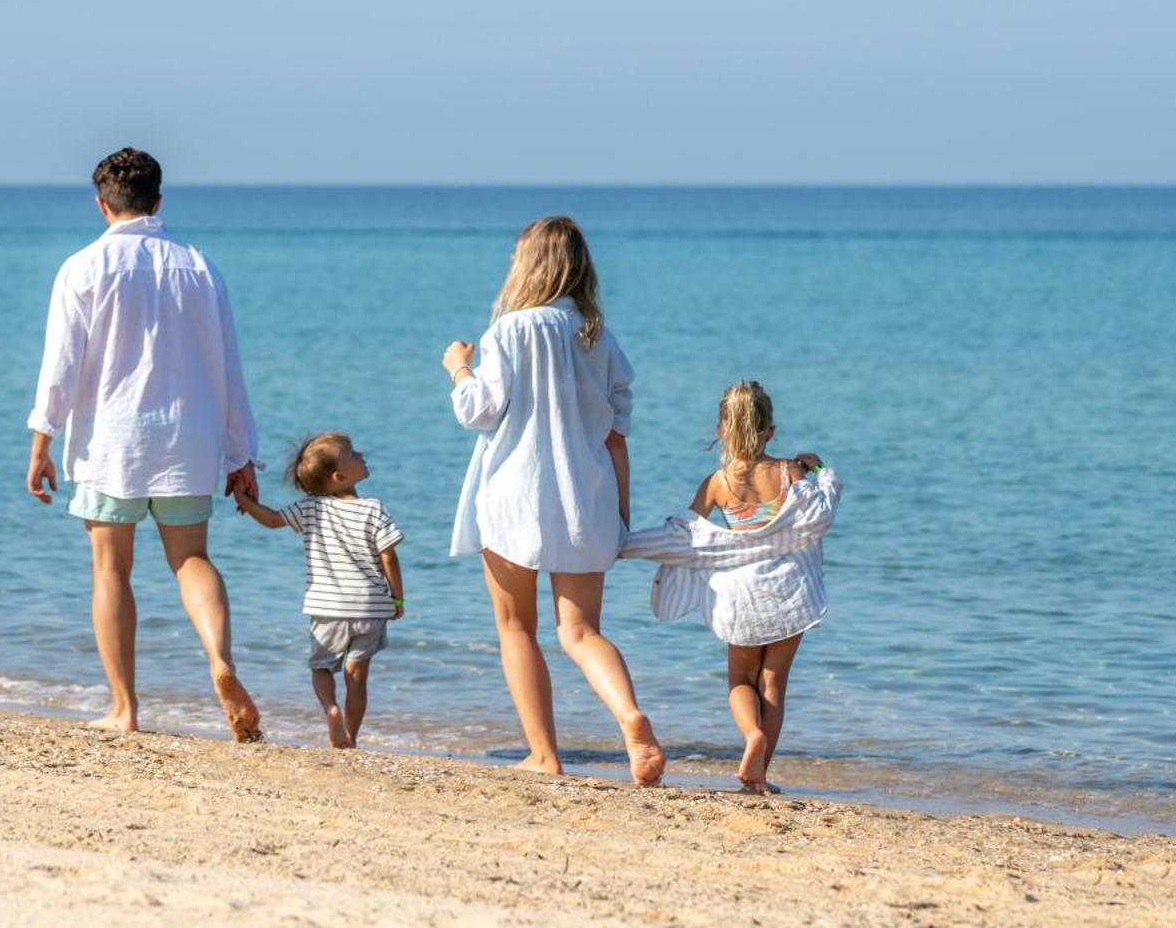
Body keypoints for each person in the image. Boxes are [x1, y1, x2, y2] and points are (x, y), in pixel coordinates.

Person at [25, 147, 263, 741]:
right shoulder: (200, 266)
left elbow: (61, 365)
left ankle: (125, 709)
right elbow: (227, 365)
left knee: (111, 569)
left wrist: (41, 440)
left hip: (113, 444)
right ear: (159, 201)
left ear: (101, 204)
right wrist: (240, 453)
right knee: (192, 560)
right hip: (190, 439)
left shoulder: (82, 267)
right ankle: (219, 658)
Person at [442, 216, 664, 785]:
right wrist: (621, 513)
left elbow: (479, 411)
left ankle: (544, 754)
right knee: (581, 631)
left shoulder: (509, 331)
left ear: (527, 266)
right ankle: (629, 716)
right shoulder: (597, 337)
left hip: (515, 496)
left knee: (516, 626)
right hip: (587, 495)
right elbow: (617, 432)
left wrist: (459, 368)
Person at [619, 381, 842, 794]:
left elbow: (684, 533)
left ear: (721, 430)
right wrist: (821, 470)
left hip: (740, 596)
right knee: (773, 684)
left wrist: (623, 543)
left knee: (740, 680)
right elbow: (822, 511)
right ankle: (760, 774)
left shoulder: (717, 483)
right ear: (770, 431)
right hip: (788, 591)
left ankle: (750, 735)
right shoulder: (790, 472)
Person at [236, 432, 406, 748]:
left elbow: (272, 520)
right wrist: (397, 597)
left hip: (327, 608)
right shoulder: (373, 509)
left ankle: (331, 709)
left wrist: (244, 500)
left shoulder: (311, 509)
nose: (361, 454)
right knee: (357, 677)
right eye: (354, 454)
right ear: (339, 476)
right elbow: (389, 556)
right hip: (370, 607)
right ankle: (350, 739)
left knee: (321, 668)